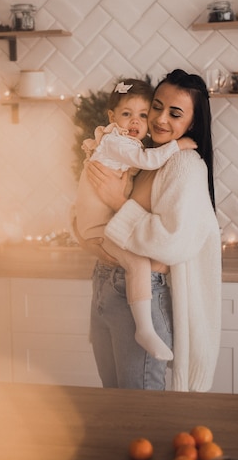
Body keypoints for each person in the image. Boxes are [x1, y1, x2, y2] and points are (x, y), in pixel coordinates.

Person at [79, 69, 222, 392]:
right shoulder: (142, 156)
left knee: (139, 408)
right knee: (115, 399)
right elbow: (90, 212)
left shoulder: (185, 166)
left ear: (192, 124)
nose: (159, 119)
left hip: (143, 292)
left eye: (175, 114)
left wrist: (118, 201)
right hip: (107, 283)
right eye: (156, 107)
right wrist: (85, 233)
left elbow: (171, 242)